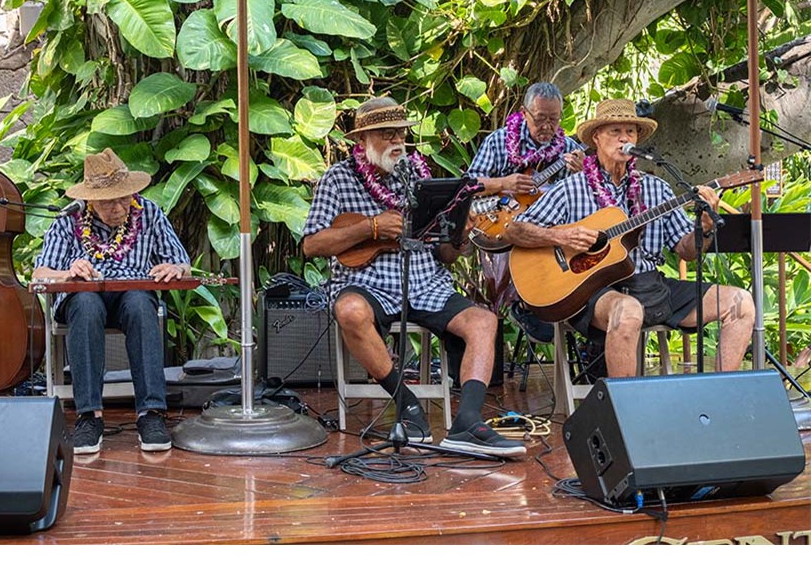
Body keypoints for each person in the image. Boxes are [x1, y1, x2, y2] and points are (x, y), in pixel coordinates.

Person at [302, 96, 526, 457]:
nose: (397, 141)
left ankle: (468, 422)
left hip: (425, 282)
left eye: (401, 134)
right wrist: (371, 227)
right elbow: (312, 245)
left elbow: (444, 253)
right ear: (363, 140)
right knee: (349, 311)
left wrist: (460, 236)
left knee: (484, 322)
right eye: (386, 134)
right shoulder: (337, 179)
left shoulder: (419, 177)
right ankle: (406, 402)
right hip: (365, 282)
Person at [504, 99, 754, 377]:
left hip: (652, 288)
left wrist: (704, 228)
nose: (624, 138)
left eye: (631, 132)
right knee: (628, 310)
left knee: (740, 302)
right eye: (615, 131)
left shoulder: (656, 189)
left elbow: (687, 251)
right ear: (596, 137)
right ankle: (625, 404)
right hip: (594, 293)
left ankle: (723, 393)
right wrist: (561, 235)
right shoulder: (571, 188)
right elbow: (514, 229)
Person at [32, 149, 191, 455]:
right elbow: (40, 273)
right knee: (86, 304)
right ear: (90, 200)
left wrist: (176, 269)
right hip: (83, 298)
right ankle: (89, 416)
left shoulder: (149, 212)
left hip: (132, 293)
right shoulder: (69, 219)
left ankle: (151, 413)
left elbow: (182, 262)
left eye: (124, 198)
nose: (119, 207)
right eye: (108, 201)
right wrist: (68, 273)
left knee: (140, 304)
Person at [465, 82, 585, 343]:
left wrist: (582, 174)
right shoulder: (498, 141)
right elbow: (468, 186)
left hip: (547, 229)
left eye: (554, 119)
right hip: (497, 225)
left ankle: (551, 304)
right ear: (524, 113)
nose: (547, 126)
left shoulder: (568, 148)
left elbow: (578, 199)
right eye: (540, 119)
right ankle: (524, 304)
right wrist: (503, 183)